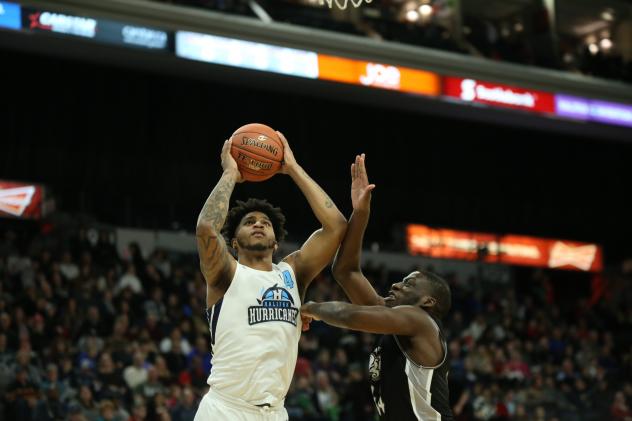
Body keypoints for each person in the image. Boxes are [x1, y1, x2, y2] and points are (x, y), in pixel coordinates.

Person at [194, 131, 346, 420]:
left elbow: (336, 226)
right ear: (234, 242)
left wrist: (292, 168)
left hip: (275, 413)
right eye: (249, 222)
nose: (258, 224)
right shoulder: (226, 273)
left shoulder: (292, 273)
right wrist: (231, 174)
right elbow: (206, 229)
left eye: (265, 222)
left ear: (276, 243)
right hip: (225, 410)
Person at [301, 154, 453, 421]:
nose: (396, 283)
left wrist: (309, 308)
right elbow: (345, 271)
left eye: (408, 283)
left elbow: (350, 315)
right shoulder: (397, 321)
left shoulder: (420, 321)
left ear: (427, 302)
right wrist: (360, 213)